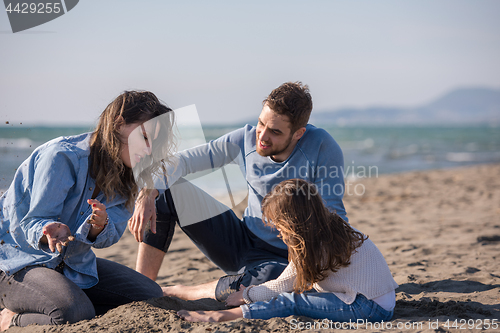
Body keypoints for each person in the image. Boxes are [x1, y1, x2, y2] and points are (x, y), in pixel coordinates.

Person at [128, 82, 348, 302]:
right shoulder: (246, 138)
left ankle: (180, 291)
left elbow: (333, 214)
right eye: (261, 123)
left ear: (299, 133)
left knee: (272, 278)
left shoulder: (322, 147)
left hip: (286, 257)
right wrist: (147, 192)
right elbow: (184, 162)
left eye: (275, 132)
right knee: (165, 189)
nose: (262, 136)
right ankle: (142, 287)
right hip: (240, 241)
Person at [0, 91, 175, 330]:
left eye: (154, 143)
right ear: (118, 124)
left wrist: (98, 227)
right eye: (143, 137)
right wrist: (46, 230)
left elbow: (108, 237)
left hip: (71, 263)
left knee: (150, 295)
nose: (149, 150)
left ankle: (56, 297)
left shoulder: (129, 175)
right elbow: (30, 222)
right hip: (20, 261)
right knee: (75, 313)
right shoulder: (62, 157)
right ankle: (12, 318)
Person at [177, 179, 398, 323]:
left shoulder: (315, 244)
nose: (278, 233)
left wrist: (244, 295)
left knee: (292, 302)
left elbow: (281, 285)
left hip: (368, 308)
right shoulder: (330, 227)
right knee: (301, 295)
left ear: (295, 224)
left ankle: (222, 316)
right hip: (380, 301)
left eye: (279, 226)